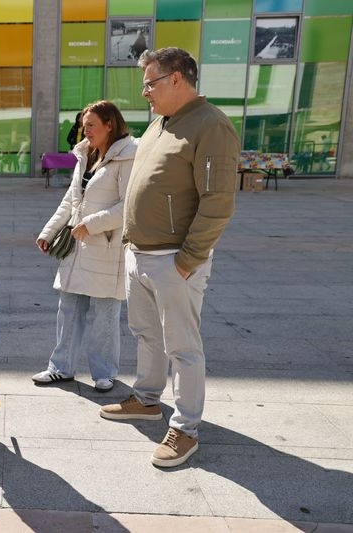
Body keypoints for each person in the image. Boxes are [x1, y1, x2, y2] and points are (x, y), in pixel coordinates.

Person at [99, 48, 240, 468]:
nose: (145, 92)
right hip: (141, 253)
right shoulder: (162, 123)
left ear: (177, 79)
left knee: (183, 346)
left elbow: (218, 203)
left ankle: (186, 428)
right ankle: (146, 399)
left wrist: (187, 260)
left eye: (151, 82)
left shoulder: (211, 126)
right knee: (146, 333)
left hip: (175, 260)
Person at [32, 101, 137, 392]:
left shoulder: (128, 157)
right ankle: (60, 368)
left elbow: (128, 206)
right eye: (83, 124)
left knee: (105, 315)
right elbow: (71, 199)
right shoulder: (86, 155)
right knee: (68, 309)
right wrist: (49, 231)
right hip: (77, 247)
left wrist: (91, 224)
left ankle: (104, 373)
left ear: (109, 125)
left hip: (106, 248)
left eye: (90, 124)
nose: (85, 130)